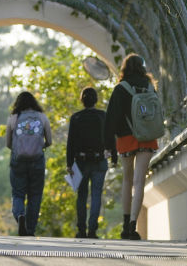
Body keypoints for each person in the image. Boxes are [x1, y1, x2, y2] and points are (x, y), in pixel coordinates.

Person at [103, 53, 159, 240]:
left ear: (125, 68)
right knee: (139, 181)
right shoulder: (150, 87)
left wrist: (109, 147)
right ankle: (133, 225)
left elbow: (110, 119)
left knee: (127, 180)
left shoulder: (121, 88)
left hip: (126, 138)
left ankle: (125, 225)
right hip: (147, 137)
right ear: (142, 67)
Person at [5, 91, 52, 236]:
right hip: (37, 161)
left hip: (18, 161)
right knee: (35, 195)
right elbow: (49, 141)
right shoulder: (42, 117)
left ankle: (20, 216)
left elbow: (8, 144)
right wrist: (39, 147)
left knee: (18, 193)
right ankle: (30, 229)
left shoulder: (13, 118)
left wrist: (20, 150)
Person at [66, 86, 108, 238]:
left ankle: (81, 230)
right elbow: (109, 137)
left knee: (82, 195)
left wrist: (69, 164)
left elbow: (70, 143)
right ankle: (92, 230)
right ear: (96, 100)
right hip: (99, 161)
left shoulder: (76, 118)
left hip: (81, 162)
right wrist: (113, 155)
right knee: (96, 195)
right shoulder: (102, 116)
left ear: (82, 100)